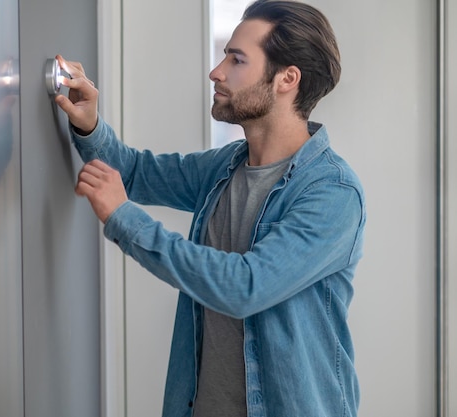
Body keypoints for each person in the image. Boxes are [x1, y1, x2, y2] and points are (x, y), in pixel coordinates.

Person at [55, 0, 366, 416]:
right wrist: (89, 123)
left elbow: (244, 287)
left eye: (237, 59)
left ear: (287, 79)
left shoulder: (333, 194)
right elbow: (134, 172)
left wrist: (124, 218)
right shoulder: (225, 166)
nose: (216, 72)